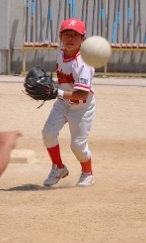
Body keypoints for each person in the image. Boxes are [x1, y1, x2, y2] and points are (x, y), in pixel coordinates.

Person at [41, 18, 97, 188]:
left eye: (75, 35)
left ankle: (88, 173)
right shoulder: (61, 53)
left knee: (77, 145)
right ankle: (58, 168)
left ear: (83, 39)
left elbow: (82, 94)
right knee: (48, 133)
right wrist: (49, 86)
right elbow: (64, 81)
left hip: (82, 107)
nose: (70, 38)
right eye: (67, 34)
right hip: (63, 102)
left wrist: (56, 92)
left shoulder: (84, 63)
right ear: (60, 37)